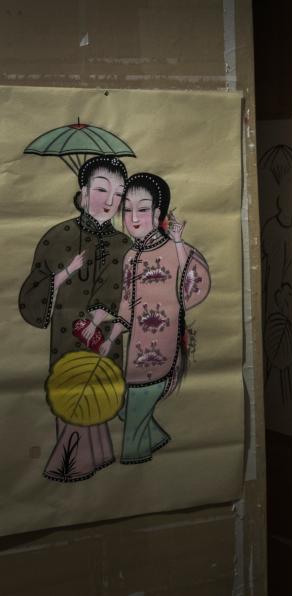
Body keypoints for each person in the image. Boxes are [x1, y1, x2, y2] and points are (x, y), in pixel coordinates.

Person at [19, 155, 133, 482]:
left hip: (105, 338)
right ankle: (70, 464)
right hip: (68, 337)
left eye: (119, 193)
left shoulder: (124, 244)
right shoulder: (58, 235)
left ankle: (94, 458)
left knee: (99, 394)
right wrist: (63, 275)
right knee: (69, 392)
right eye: (101, 189)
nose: (110, 201)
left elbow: (132, 295)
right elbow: (32, 291)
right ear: (83, 192)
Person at [100, 173, 211, 464]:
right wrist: (111, 338)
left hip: (161, 351)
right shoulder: (131, 256)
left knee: (133, 424)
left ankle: (132, 467)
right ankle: (158, 441)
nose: (134, 218)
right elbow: (126, 304)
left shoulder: (175, 249)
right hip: (134, 352)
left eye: (143, 209)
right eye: (127, 209)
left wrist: (178, 243)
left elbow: (194, 287)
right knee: (125, 409)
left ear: (157, 212)